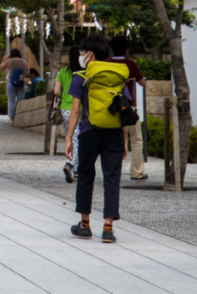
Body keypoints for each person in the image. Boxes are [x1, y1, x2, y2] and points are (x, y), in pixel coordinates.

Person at [65, 35, 129, 243]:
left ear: (90, 55)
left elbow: (75, 110)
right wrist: (125, 141)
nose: (81, 57)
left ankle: (84, 225)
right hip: (114, 134)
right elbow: (124, 109)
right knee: (111, 178)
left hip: (89, 132)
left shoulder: (81, 77)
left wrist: (68, 139)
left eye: (82, 53)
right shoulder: (117, 76)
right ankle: (108, 228)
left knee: (85, 175)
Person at [109, 35, 149, 181]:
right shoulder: (130, 64)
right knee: (137, 139)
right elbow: (142, 82)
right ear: (126, 49)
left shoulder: (107, 63)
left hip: (111, 107)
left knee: (111, 139)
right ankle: (136, 172)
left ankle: (113, 171)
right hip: (128, 106)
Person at [54, 45, 81, 182]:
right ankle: (70, 165)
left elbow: (56, 91)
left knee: (69, 138)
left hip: (65, 109)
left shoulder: (62, 72)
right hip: (78, 110)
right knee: (77, 139)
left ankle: (76, 170)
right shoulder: (83, 73)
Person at [0, 47, 26, 120]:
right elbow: (27, 73)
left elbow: (1, 67)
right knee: (21, 101)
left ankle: (11, 117)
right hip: (21, 83)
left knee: (11, 101)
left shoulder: (9, 61)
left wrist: (6, 59)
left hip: (11, 82)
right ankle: (21, 117)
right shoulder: (24, 62)